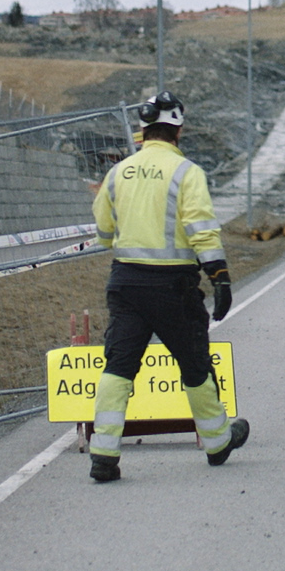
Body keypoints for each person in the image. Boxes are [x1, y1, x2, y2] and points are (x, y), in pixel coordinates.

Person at [88, 91, 249, 482]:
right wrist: (220, 277)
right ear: (179, 129)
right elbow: (200, 227)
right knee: (194, 366)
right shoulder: (186, 173)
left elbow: (104, 231)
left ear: (143, 130)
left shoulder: (118, 172)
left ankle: (103, 454)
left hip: (125, 282)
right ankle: (216, 442)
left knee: (119, 367)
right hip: (173, 287)